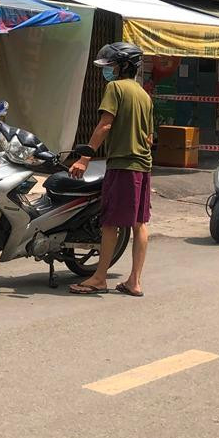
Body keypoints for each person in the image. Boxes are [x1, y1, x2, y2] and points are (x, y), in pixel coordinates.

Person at [68, 42, 153, 297]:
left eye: (112, 66)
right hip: (143, 165)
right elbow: (149, 138)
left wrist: (84, 158)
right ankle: (134, 281)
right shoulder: (144, 95)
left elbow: (105, 125)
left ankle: (99, 277)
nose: (109, 71)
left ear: (123, 66)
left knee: (109, 223)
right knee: (139, 223)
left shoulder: (115, 88)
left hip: (123, 165)